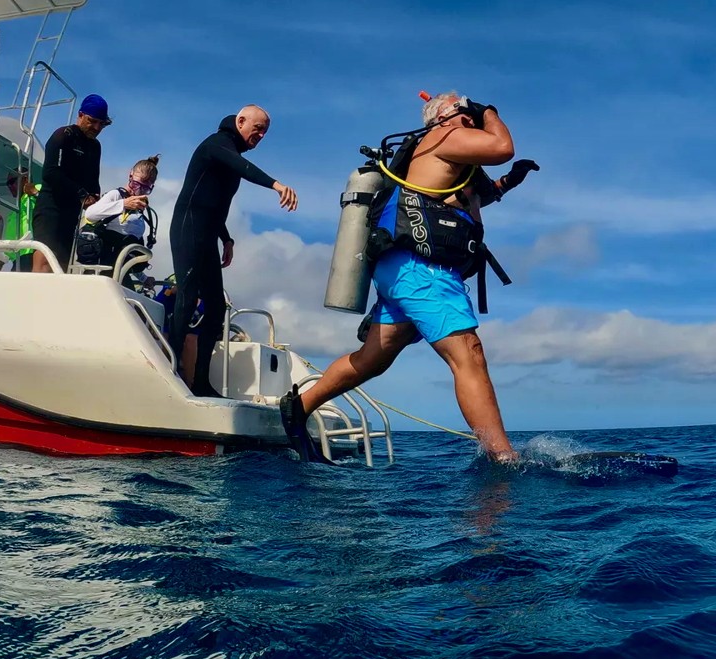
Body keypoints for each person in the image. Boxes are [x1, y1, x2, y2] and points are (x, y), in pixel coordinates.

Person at [281, 92, 532, 463]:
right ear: (443, 116)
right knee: (469, 354)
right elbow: (502, 146)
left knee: (372, 360)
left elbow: (465, 198)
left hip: (405, 267)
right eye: (462, 110)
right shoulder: (444, 136)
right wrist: (486, 108)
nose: (470, 116)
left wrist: (508, 183)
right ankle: (504, 460)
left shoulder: (457, 159)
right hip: (421, 268)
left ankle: (298, 407)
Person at [169, 105, 297, 396]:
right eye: (258, 128)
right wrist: (276, 185)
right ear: (240, 121)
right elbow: (244, 169)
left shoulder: (231, 153)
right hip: (187, 228)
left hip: (208, 234)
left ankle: (200, 381)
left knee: (215, 307)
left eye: (265, 131)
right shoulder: (217, 144)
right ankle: (171, 370)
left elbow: (216, 203)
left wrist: (226, 238)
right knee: (188, 298)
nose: (261, 135)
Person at [31, 94, 109, 273]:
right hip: (51, 207)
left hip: (71, 212)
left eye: (102, 124)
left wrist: (96, 197)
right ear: (81, 115)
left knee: (62, 263)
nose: (97, 127)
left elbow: (93, 180)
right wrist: (81, 193)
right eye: (92, 121)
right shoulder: (63, 135)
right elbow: (51, 173)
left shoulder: (95, 147)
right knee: (45, 257)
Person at [79, 155, 159, 283]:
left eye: (145, 188)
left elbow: (127, 255)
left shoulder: (142, 212)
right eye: (135, 184)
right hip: (99, 270)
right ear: (130, 175)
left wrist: (144, 278)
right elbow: (90, 214)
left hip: (120, 273)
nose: (138, 191)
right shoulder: (116, 195)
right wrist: (123, 204)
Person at [3, 168, 39, 272]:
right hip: (17, 257)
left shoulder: (36, 190)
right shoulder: (16, 207)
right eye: (7, 184)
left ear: (25, 179)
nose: (9, 186)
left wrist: (35, 192)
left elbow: (48, 203)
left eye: (11, 182)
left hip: (30, 253)